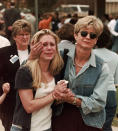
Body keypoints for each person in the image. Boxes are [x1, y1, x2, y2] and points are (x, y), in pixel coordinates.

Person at [51, 16, 115, 131]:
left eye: (93, 35)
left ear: (96, 40)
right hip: (61, 119)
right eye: (84, 33)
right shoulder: (60, 56)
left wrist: (72, 99)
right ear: (76, 35)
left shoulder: (102, 67)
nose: (88, 37)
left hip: (90, 124)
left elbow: (98, 102)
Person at [10, 29, 73, 131]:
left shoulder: (55, 71)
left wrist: (63, 95)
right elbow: (29, 106)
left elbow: (51, 102)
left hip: (47, 128)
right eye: (44, 45)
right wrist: (54, 94)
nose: (49, 48)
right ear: (35, 47)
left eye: (52, 45)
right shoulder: (25, 71)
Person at [0, 19, 32, 131]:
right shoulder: (4, 53)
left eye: (27, 34)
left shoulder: (35, 52)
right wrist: (3, 84)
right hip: (11, 103)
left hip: (31, 101)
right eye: (21, 35)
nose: (24, 37)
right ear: (14, 37)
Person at [94, 25, 117, 131]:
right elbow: (116, 80)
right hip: (111, 92)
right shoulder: (115, 56)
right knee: (107, 127)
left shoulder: (90, 55)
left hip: (95, 92)